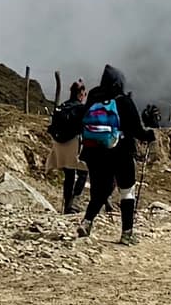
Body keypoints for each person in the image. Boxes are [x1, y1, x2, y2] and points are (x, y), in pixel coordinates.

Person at [76, 64, 144, 242]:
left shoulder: (93, 97)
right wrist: (149, 136)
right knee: (127, 191)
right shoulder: (123, 100)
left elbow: (82, 119)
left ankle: (87, 222)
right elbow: (137, 129)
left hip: (93, 152)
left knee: (100, 190)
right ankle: (127, 233)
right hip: (120, 151)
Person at [49, 77, 89, 220]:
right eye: (84, 94)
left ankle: (66, 205)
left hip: (60, 144)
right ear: (81, 94)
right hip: (74, 144)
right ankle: (74, 202)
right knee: (83, 172)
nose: (85, 97)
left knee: (69, 175)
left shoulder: (62, 106)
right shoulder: (81, 108)